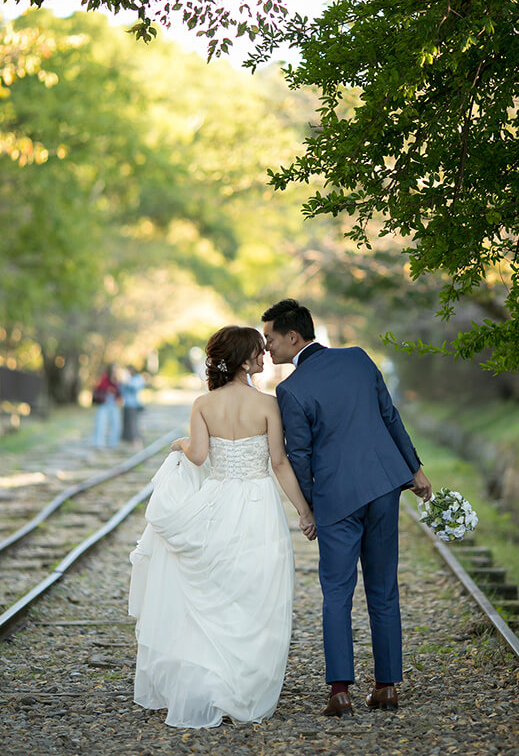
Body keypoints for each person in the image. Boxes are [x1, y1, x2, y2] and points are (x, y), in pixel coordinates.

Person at [128, 326, 316, 728]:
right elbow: (280, 464)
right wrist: (303, 511)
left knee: (216, 590)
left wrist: (180, 443)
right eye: (259, 353)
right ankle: (241, 687)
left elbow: (197, 456)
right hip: (256, 505)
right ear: (245, 360)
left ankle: (210, 684)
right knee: (253, 593)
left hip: (215, 503)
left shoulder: (203, 404)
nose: (265, 357)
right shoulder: (268, 404)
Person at [262, 299, 432, 718]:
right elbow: (389, 417)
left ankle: (340, 692)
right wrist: (415, 469)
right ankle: (387, 686)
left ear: (292, 336)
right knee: (383, 588)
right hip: (383, 487)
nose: (265, 348)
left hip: (336, 499)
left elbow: (298, 456)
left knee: (337, 593)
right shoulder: (358, 358)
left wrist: (309, 508)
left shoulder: (290, 390)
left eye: (269, 338)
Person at [92, 365, 122, 449]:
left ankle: (113, 444)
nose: (115, 371)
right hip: (103, 404)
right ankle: (99, 443)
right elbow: (97, 388)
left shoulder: (117, 379)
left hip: (114, 405)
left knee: (116, 424)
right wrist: (107, 389)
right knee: (100, 424)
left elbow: (119, 392)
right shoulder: (103, 378)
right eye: (114, 369)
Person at [120, 366, 146, 446]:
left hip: (134, 405)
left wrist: (128, 380)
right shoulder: (124, 380)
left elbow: (135, 387)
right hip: (126, 405)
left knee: (134, 424)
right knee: (126, 424)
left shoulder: (137, 378)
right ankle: (127, 440)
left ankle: (136, 439)